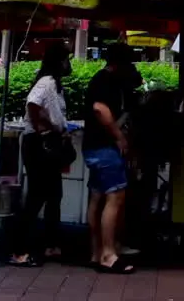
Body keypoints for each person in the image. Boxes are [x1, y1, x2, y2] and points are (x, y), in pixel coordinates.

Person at [8, 42, 72, 267]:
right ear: (59, 62)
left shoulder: (53, 84)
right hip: (38, 143)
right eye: (66, 59)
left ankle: (51, 245)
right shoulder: (47, 82)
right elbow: (33, 104)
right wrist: (42, 127)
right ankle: (19, 250)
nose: (68, 64)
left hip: (44, 140)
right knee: (37, 196)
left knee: (54, 195)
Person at [83, 44, 136, 274]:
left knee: (97, 197)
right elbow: (100, 109)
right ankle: (108, 254)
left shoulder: (102, 80)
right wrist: (118, 137)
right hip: (104, 147)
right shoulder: (105, 82)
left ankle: (96, 252)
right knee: (115, 197)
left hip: (93, 147)